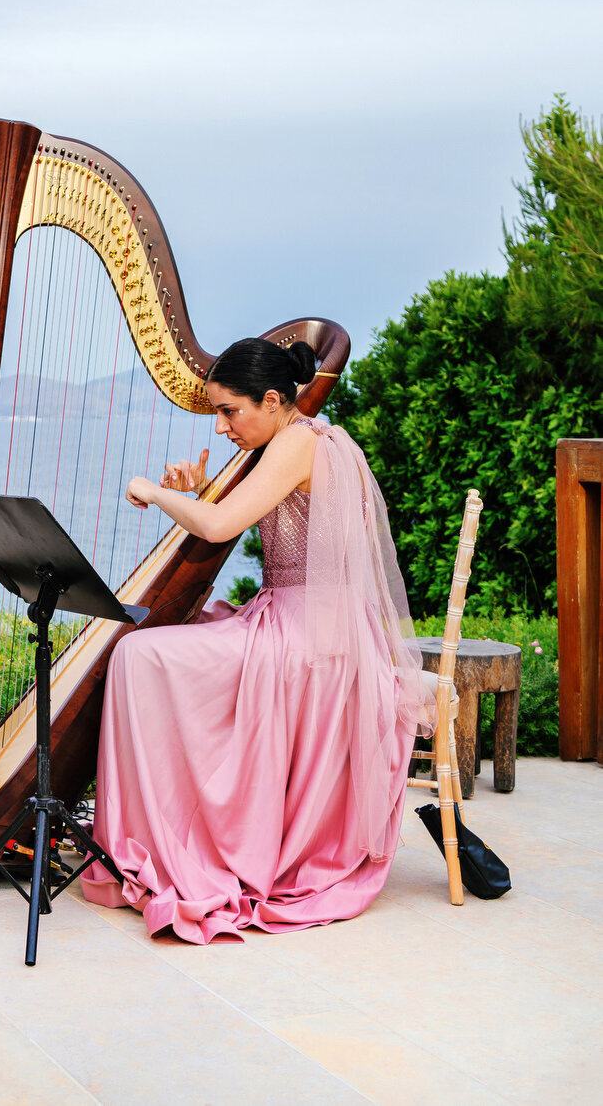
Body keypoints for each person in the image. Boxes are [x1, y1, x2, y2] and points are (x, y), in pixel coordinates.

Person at [80, 336, 426, 943]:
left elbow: (217, 526)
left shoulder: (297, 443)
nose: (220, 427)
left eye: (229, 411)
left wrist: (156, 494)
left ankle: (172, 838)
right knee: (160, 647)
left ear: (272, 400)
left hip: (309, 638)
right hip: (311, 622)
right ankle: (179, 827)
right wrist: (199, 488)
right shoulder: (301, 439)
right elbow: (231, 510)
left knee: (139, 652)